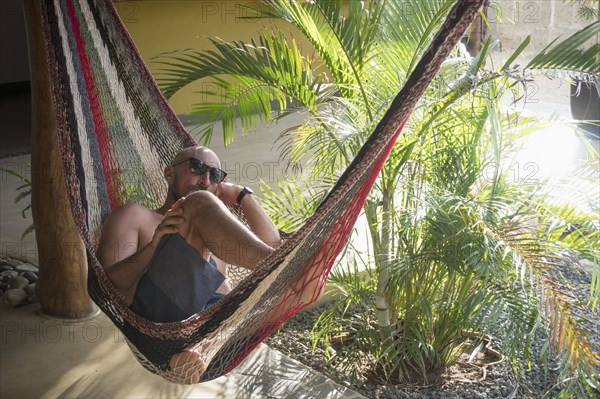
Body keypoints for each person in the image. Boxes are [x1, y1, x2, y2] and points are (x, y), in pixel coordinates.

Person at [96, 145, 285, 381]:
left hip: (215, 332)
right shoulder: (135, 216)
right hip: (161, 330)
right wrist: (154, 245)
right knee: (196, 203)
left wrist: (241, 196)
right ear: (169, 173)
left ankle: (204, 347)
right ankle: (282, 270)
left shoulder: (217, 236)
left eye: (215, 175)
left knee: (295, 292)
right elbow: (108, 287)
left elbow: (274, 244)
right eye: (197, 167)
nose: (206, 180)